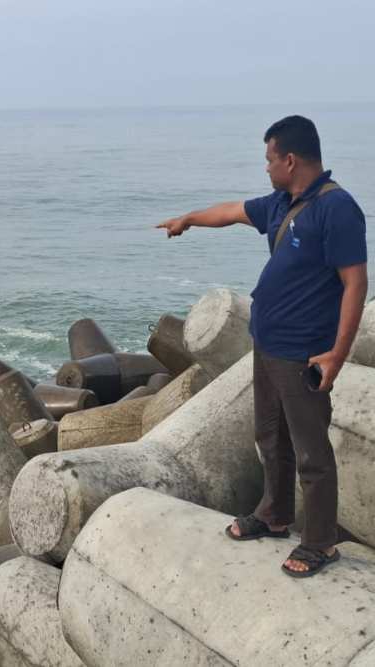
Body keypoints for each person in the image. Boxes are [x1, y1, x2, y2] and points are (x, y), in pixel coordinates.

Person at [156, 115, 368, 577]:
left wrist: (337, 352)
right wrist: (189, 219)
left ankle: (320, 543)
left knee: (311, 451)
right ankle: (274, 515)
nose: (266, 168)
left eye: (270, 160)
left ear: (290, 159)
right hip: (267, 345)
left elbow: (355, 283)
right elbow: (233, 211)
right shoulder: (280, 202)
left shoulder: (337, 208)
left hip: (304, 352)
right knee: (270, 438)